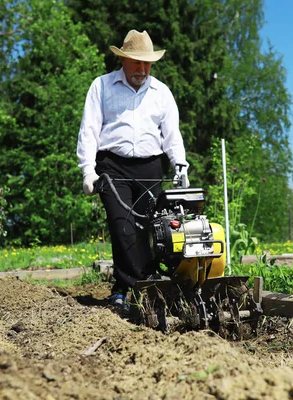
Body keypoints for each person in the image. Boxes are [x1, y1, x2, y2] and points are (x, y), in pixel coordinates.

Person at [77, 29, 189, 308]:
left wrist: (180, 165)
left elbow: (172, 134)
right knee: (122, 226)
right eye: (137, 62)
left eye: (147, 63)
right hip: (112, 165)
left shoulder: (161, 92)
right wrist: (87, 171)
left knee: (150, 228)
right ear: (123, 60)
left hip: (151, 166)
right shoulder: (101, 87)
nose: (143, 68)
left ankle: (131, 285)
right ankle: (137, 286)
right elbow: (89, 130)